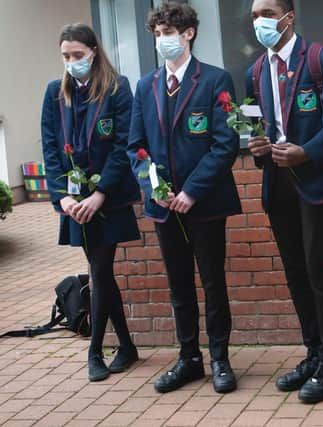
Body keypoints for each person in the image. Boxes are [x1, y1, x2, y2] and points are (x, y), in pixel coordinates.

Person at [127, 2, 241, 394]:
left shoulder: (214, 80)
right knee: (179, 285)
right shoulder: (145, 86)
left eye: (169, 32)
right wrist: (155, 189)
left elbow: (224, 144)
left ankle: (220, 359)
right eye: (158, 34)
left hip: (205, 203)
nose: (163, 41)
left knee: (213, 283)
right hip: (164, 206)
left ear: (189, 32)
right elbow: (135, 148)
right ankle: (189, 357)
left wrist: (191, 191)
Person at [246, 0, 323, 403]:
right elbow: (255, 123)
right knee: (295, 272)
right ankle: (314, 352)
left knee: (318, 268)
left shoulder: (318, 58)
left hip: (315, 180)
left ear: (288, 16)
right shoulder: (255, 70)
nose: (260, 21)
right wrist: (256, 147)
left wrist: (308, 151)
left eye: (267, 12)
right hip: (278, 183)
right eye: (254, 15)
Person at [41, 23, 140, 382]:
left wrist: (99, 194)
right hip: (74, 203)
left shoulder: (117, 89)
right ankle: (127, 346)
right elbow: (50, 150)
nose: (71, 62)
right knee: (103, 273)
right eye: (66, 56)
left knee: (100, 271)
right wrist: (63, 196)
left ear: (94, 52)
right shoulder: (55, 93)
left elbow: (122, 146)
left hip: (106, 201)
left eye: (78, 55)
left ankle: (95, 351)